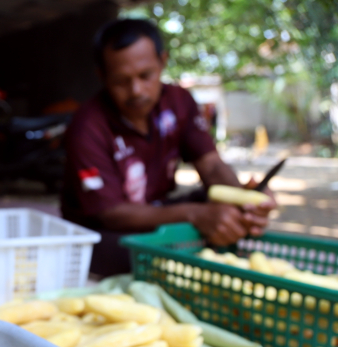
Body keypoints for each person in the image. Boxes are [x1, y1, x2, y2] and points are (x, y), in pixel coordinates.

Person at [61, 19, 276, 276]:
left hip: (156, 211)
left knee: (214, 200)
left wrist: (242, 201)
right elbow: (111, 214)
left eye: (145, 75)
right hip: (103, 230)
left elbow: (211, 164)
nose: (136, 90)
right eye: (121, 81)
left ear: (163, 61)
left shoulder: (179, 102)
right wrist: (195, 215)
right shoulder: (88, 126)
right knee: (141, 256)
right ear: (102, 76)